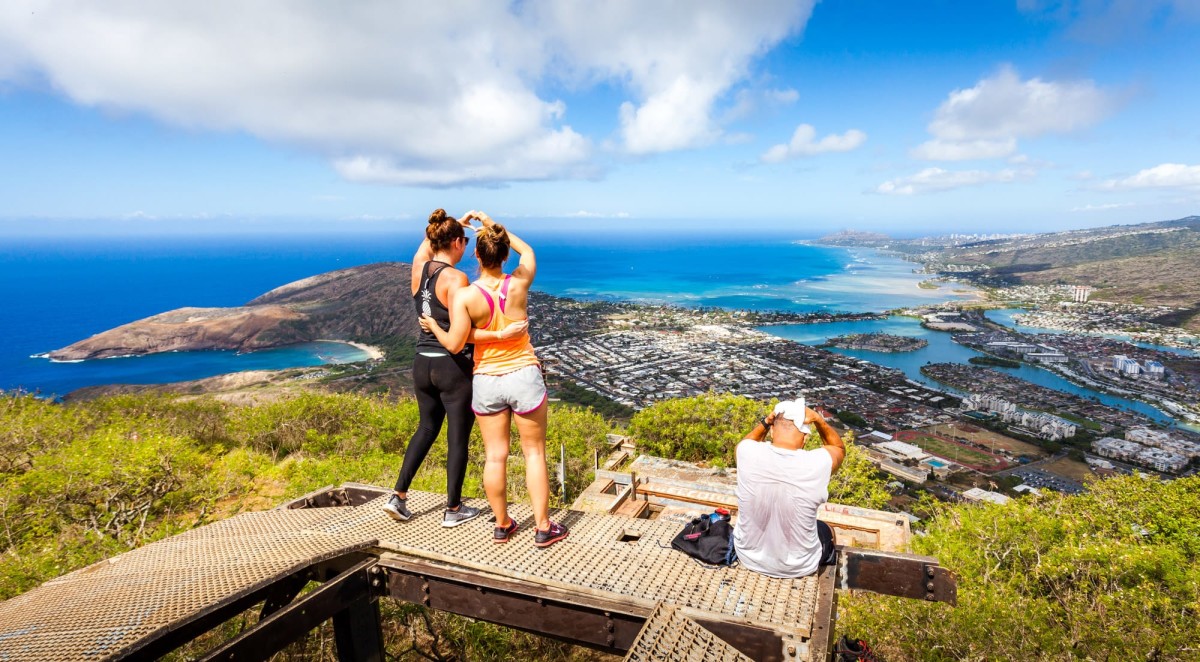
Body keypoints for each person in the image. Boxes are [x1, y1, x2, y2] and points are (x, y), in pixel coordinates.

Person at [420, 211, 567, 548]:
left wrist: (436, 328)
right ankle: (543, 527)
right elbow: (528, 253)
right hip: (523, 375)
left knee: (495, 456)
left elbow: (456, 343)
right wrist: (492, 224)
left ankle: (502, 524)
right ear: (503, 255)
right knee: (534, 454)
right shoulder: (517, 284)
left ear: (475, 255)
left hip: (486, 380)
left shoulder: (466, 296)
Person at [383, 209, 514, 527]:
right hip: (451, 367)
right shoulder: (456, 279)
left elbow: (422, 250)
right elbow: (459, 335)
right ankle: (453, 510)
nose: (466, 246)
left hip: (422, 363)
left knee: (426, 428)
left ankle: (398, 496)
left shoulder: (419, 269)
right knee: (457, 438)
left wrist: (453, 225)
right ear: (456, 242)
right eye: (464, 240)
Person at [732, 397, 845, 577]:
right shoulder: (818, 462)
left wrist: (765, 422)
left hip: (747, 556)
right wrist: (818, 419)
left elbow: (746, 443)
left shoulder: (746, 451)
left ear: (771, 431)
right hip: (800, 566)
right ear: (805, 438)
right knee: (825, 529)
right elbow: (837, 448)